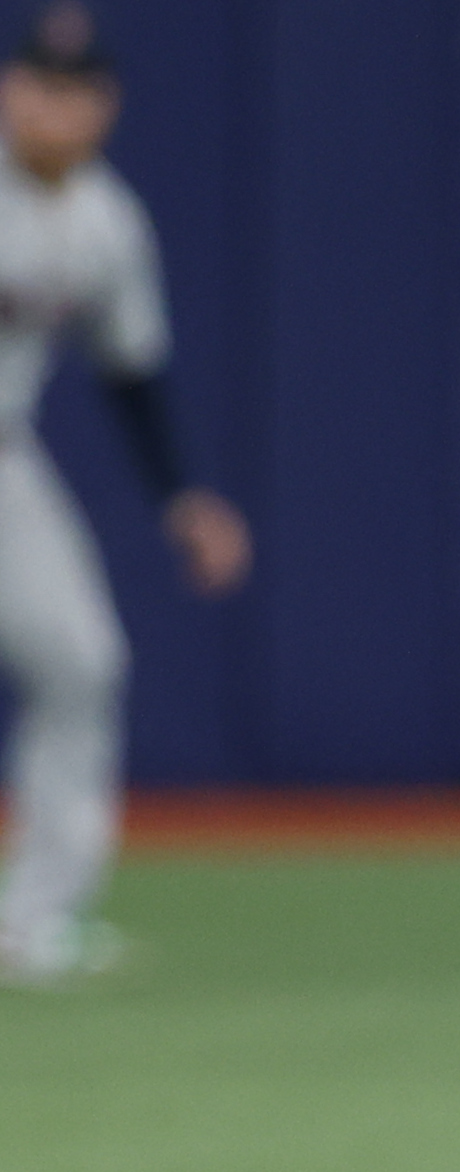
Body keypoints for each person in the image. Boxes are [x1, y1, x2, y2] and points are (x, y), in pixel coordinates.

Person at [0, 4, 250, 984]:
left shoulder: (106, 220)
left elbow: (133, 374)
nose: (58, 107)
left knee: (83, 660)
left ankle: (32, 919)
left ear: (107, 105)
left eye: (79, 91)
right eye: (40, 85)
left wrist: (183, 496)